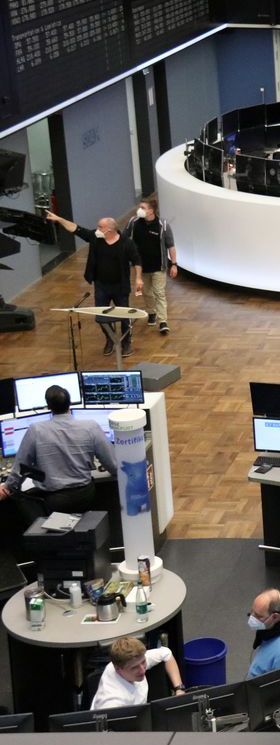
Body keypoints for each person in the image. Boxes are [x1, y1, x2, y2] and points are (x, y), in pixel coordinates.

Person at [0, 385, 118, 529]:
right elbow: (113, 464)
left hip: (54, 500)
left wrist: (7, 487)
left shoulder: (36, 430)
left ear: (49, 406)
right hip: (85, 495)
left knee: (21, 500)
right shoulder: (91, 427)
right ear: (70, 403)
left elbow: (21, 467)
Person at [46, 209, 143, 357]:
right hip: (101, 285)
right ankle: (110, 339)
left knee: (124, 316)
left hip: (120, 286)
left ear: (110, 230)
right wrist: (59, 219)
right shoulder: (95, 238)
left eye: (100, 227)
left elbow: (137, 260)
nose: (97, 229)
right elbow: (75, 229)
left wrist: (138, 278)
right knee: (100, 316)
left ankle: (126, 343)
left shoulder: (126, 243)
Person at [124, 194, 177, 336]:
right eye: (139, 207)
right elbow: (124, 240)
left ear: (151, 211)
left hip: (158, 267)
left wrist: (174, 264)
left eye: (142, 207)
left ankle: (163, 322)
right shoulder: (133, 222)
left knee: (159, 292)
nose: (139, 210)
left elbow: (170, 245)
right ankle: (151, 312)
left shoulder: (163, 225)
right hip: (140, 267)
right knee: (146, 292)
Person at [92, 637, 185, 710]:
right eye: (134, 667)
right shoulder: (111, 703)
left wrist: (179, 689)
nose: (142, 670)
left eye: (143, 662)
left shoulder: (135, 660)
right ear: (118, 669)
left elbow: (166, 653)